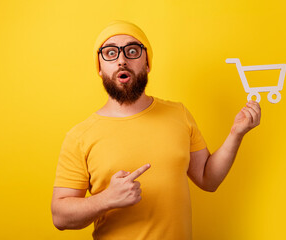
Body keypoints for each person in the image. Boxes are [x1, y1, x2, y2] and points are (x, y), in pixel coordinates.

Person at [50, 20, 261, 240]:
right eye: (110, 53)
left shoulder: (178, 114)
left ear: (147, 63)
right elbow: (60, 217)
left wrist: (237, 133)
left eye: (132, 51)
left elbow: (208, 179)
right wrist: (107, 199)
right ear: (100, 69)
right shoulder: (80, 137)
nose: (122, 60)